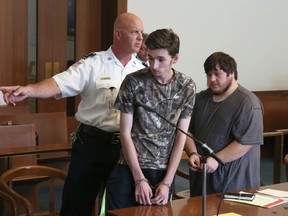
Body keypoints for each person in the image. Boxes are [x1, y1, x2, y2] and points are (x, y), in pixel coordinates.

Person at [0, 13, 144, 216]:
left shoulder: (143, 70)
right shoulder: (94, 63)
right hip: (92, 145)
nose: (140, 37)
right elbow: (59, 83)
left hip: (126, 149)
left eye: (141, 32)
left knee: (122, 208)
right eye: (134, 32)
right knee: (76, 206)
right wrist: (29, 90)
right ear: (117, 34)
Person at [105, 28, 196, 210]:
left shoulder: (186, 86)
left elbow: (181, 135)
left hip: (163, 170)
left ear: (175, 58)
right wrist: (139, 179)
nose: (154, 65)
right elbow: (124, 132)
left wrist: (167, 182)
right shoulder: (133, 82)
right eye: (151, 58)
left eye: (161, 60)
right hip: (130, 166)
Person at [184, 51, 264, 197]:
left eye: (217, 74)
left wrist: (215, 160)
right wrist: (193, 152)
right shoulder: (199, 99)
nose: (212, 79)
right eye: (208, 74)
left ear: (231, 73)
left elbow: (246, 142)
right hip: (202, 184)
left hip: (235, 186)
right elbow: (187, 131)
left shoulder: (248, 103)